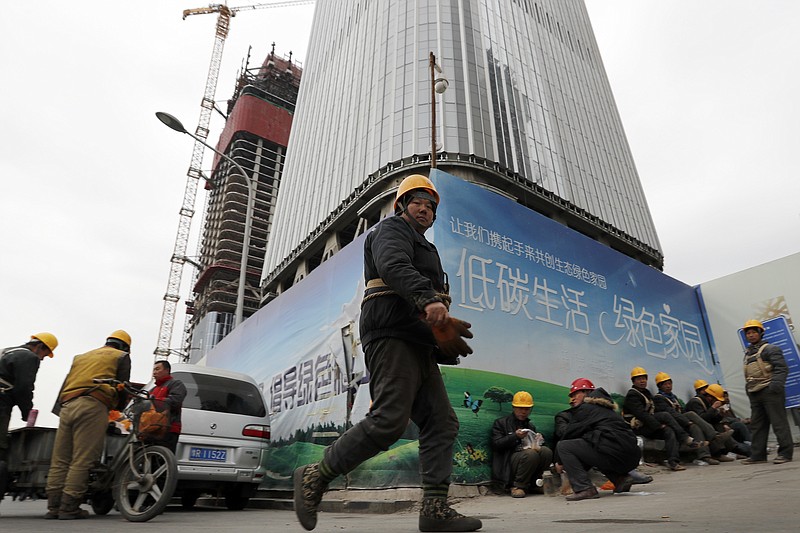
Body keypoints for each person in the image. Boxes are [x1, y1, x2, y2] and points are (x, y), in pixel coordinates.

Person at [292, 175, 480, 532]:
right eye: (417, 202)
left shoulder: (426, 247)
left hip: (416, 339)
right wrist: (428, 300)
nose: (424, 209)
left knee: (442, 422)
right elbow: (393, 266)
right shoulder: (391, 230)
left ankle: (435, 509)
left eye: (430, 205)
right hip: (392, 334)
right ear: (401, 205)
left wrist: (437, 328)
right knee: (390, 418)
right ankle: (316, 475)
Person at [45, 330, 132, 520]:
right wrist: (119, 408)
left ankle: (53, 507)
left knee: (60, 459)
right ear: (125, 346)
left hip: (67, 405)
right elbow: (122, 387)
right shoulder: (121, 356)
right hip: (93, 404)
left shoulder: (81, 357)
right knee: (83, 459)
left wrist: (60, 410)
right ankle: (69, 508)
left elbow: (65, 383)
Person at [557, 380, 641, 501]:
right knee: (595, 445)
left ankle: (584, 488)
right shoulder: (607, 409)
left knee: (564, 446)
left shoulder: (586, 408)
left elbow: (569, 433)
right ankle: (620, 479)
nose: (573, 399)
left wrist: (558, 461)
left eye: (575, 394)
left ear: (587, 392)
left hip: (615, 452)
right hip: (632, 456)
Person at [622, 367, 699, 471]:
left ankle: (673, 462)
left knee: (669, 431)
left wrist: (661, 425)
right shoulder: (632, 395)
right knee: (665, 415)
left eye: (644, 378)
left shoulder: (646, 393)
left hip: (647, 425)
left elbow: (652, 411)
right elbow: (642, 414)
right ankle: (685, 438)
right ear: (633, 381)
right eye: (639, 379)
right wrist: (658, 425)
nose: (642, 381)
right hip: (638, 427)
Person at [738, 319, 793, 465]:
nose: (750, 335)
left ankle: (785, 453)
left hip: (770, 391)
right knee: (757, 425)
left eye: (753, 332)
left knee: (778, 423)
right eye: (748, 333)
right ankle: (758, 455)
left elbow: (782, 369)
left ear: (761, 333)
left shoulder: (770, 349)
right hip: (755, 393)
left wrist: (774, 387)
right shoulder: (749, 353)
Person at [1, 333, 58, 463]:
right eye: (45, 354)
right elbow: (23, 388)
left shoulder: (6, 351)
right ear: (39, 346)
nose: (42, 359)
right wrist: (27, 412)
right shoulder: (29, 357)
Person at [653, 371, 732, 465]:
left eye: (669, 383)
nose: (668, 386)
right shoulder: (659, 398)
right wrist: (686, 421)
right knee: (691, 414)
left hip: (679, 421)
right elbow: (671, 413)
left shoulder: (673, 397)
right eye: (665, 384)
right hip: (672, 422)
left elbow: (680, 411)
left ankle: (705, 455)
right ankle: (714, 436)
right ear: (659, 386)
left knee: (695, 427)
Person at [490, 391, 553, 498]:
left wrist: (539, 441)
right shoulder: (501, 423)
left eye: (527, 409)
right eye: (520, 408)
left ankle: (534, 484)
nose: (523, 412)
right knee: (530, 454)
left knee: (546, 451)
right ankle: (517, 486)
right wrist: (515, 436)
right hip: (509, 464)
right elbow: (496, 444)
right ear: (514, 408)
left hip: (527, 461)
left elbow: (537, 447)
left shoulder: (530, 426)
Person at [684, 383, 750, 460]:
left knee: (721, 426)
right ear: (709, 397)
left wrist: (720, 414)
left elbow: (713, 419)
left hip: (710, 429)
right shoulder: (695, 402)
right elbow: (702, 420)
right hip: (694, 430)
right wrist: (713, 408)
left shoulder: (707, 402)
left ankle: (735, 448)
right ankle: (720, 450)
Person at [145, 360, 186, 452]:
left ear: (167, 370)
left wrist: (156, 401)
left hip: (169, 428)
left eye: (157, 369)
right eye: (154, 370)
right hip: (153, 428)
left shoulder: (176, 384)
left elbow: (176, 400)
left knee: (163, 460)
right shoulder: (153, 389)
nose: (154, 372)